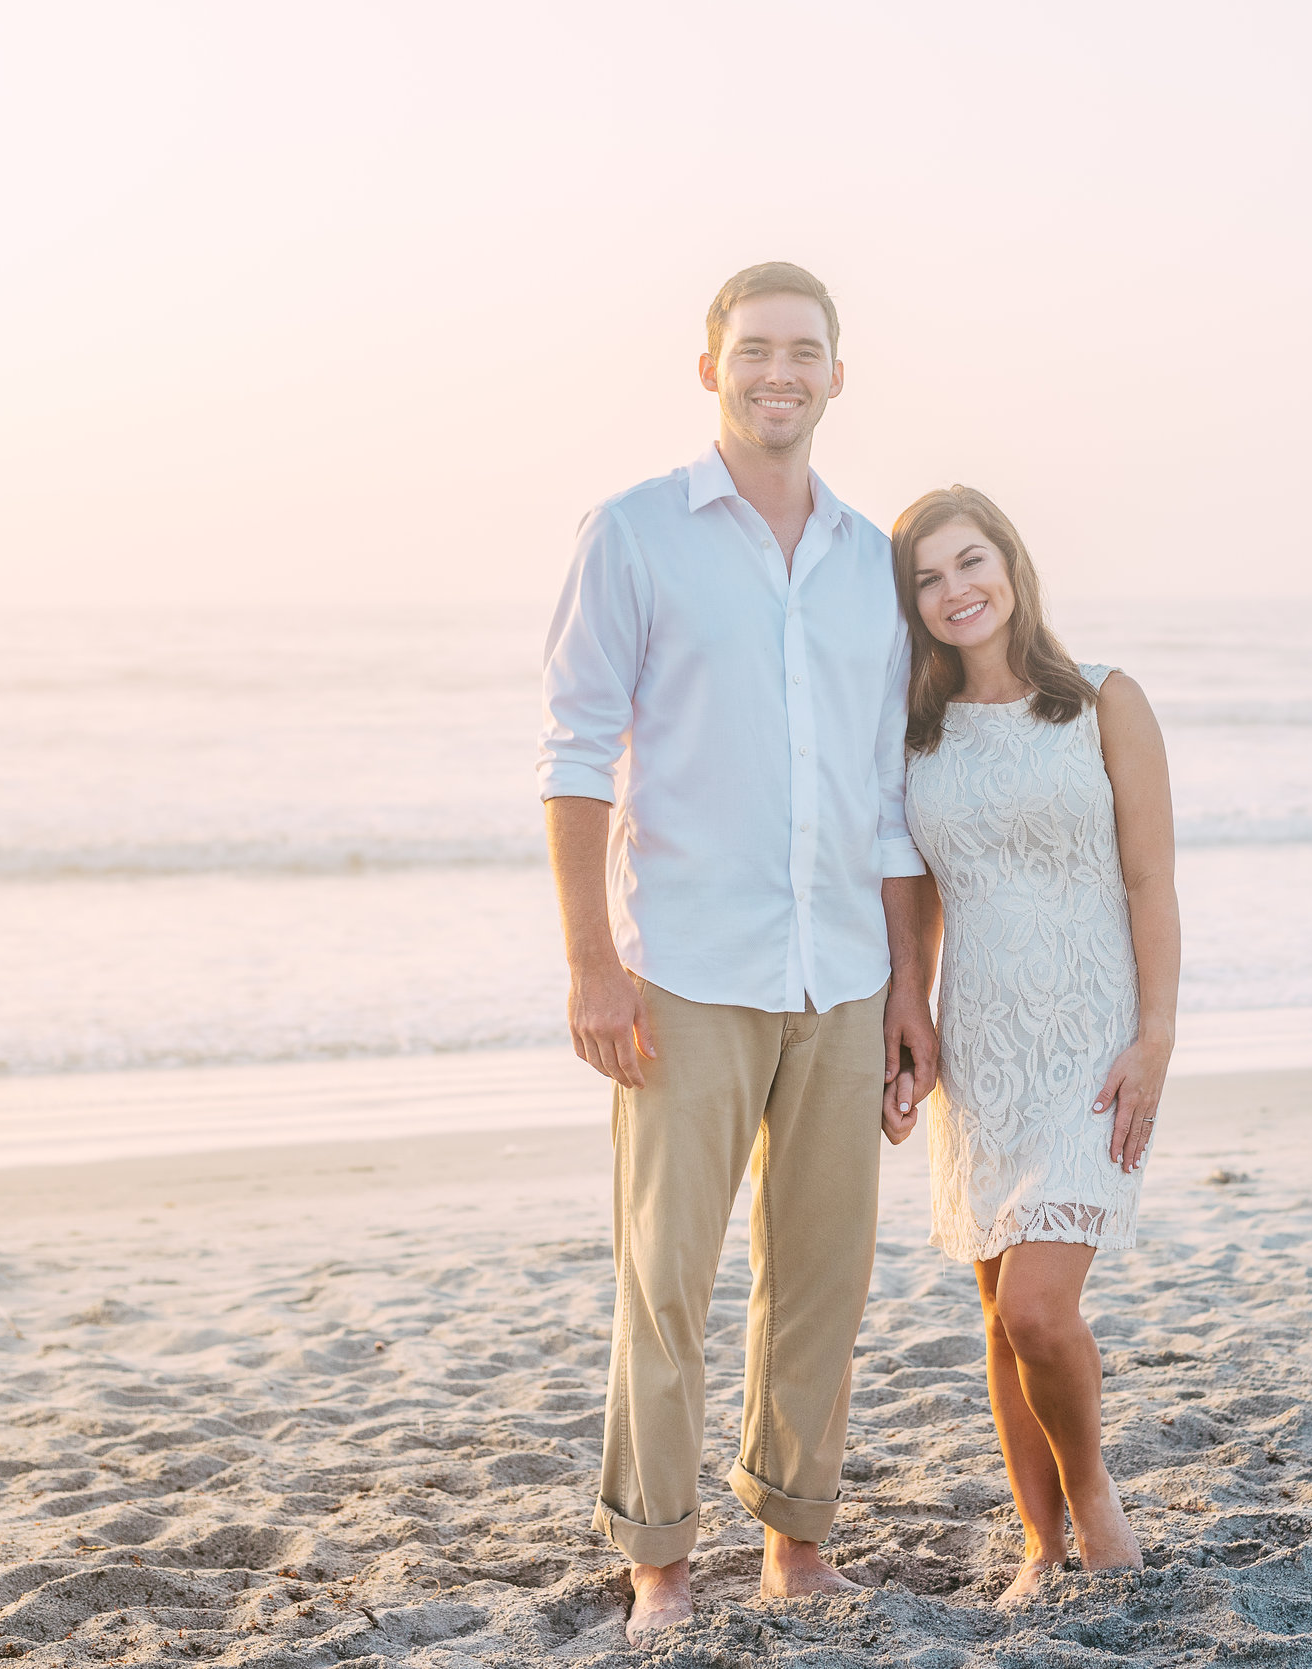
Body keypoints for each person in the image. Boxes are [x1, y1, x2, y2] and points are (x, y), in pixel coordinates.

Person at [536, 262, 941, 1646]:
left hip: (841, 975)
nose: (781, 372)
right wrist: (593, 963)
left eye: (806, 351)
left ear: (840, 375)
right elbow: (577, 755)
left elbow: (892, 796)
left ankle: (797, 1545)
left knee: (823, 1272)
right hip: (684, 976)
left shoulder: (872, 560)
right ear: (709, 366)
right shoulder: (637, 533)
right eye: (756, 348)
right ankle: (657, 1559)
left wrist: (911, 992)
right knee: (666, 1276)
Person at [881, 485, 1180, 1601]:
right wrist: (905, 1011)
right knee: (998, 1323)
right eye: (927, 577)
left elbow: (1150, 879)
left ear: (1011, 564)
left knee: (1036, 1310)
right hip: (981, 1048)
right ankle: (1038, 1546)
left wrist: (1154, 1037)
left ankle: (1096, 1507)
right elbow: (910, 898)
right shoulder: (914, 729)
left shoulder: (1105, 700)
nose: (955, 590)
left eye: (971, 562)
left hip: (1092, 1040)